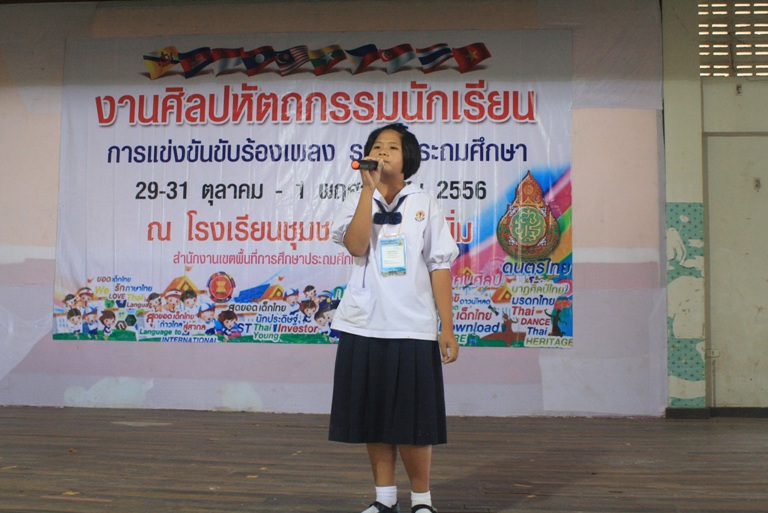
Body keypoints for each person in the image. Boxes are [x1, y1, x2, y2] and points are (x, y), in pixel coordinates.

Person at [329, 123, 459, 513]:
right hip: (364, 322)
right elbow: (356, 246)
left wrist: (447, 327)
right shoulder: (357, 197)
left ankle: (422, 501)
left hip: (413, 326)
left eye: (392, 147)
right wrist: (367, 190)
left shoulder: (424, 203)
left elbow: (439, 266)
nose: (383, 152)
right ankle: (385, 498)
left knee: (414, 421)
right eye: (377, 146)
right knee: (373, 416)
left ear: (408, 159)